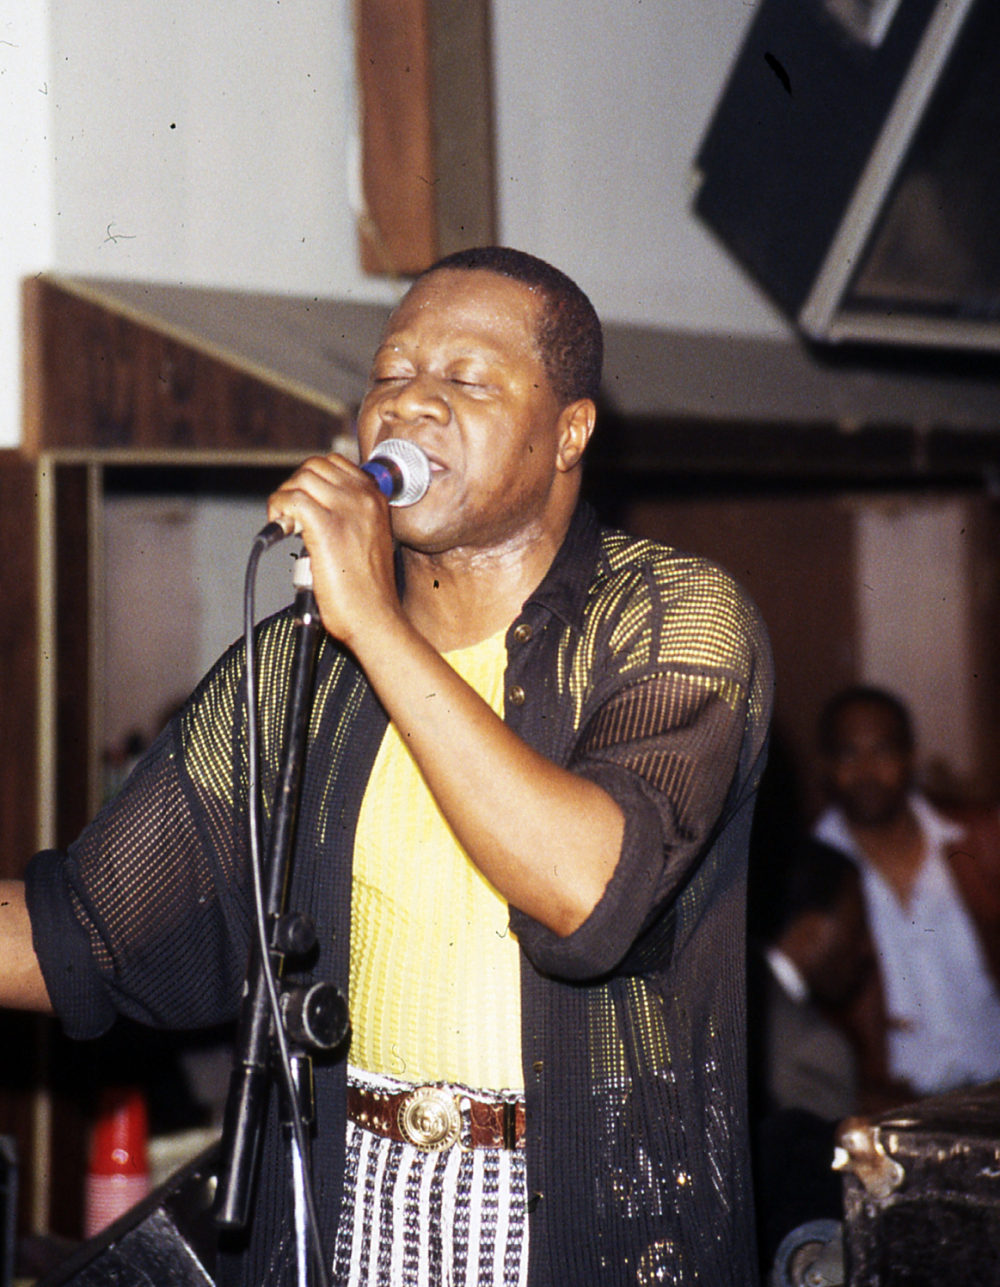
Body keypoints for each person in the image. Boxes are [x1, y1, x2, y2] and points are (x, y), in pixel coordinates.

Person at [0, 247, 773, 1286]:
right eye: (393, 374)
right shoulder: (294, 672)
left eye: (466, 379)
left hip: (589, 1227)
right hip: (351, 1198)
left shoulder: (669, 616)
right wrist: (358, 628)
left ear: (568, 433)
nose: (412, 403)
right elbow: (79, 938)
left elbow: (586, 894)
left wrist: (368, 618)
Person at [813, 685, 1000, 1104]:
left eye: (882, 752)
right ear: (825, 766)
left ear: (910, 756)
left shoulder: (977, 841)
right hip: (896, 1109)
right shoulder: (809, 874)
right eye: (848, 754)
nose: (866, 771)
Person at [747, 838, 873, 1272]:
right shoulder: (815, 1048)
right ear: (812, 930)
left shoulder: (733, 987)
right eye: (857, 928)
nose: (865, 950)